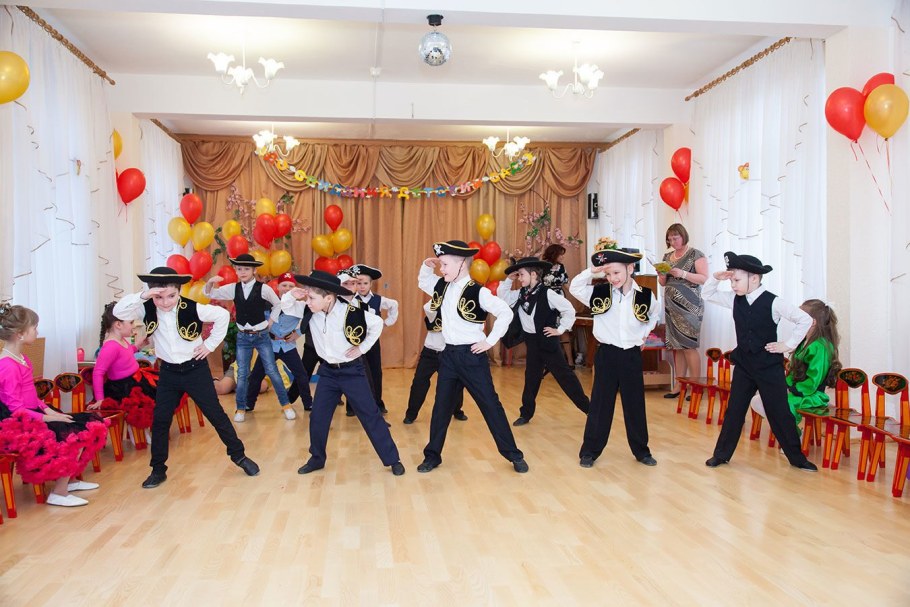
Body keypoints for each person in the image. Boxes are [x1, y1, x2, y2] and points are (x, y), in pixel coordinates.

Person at [114, 266, 260, 488]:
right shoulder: (145, 308)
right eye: (159, 297)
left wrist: (209, 345)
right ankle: (158, 470)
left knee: (216, 415)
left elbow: (221, 316)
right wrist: (144, 296)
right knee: (160, 420)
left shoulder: (192, 308)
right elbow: (120, 311)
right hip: (168, 373)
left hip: (195, 371)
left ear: (179, 292)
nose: (165, 302)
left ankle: (239, 456)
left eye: (171, 296)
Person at [416, 240, 528, 474]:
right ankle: (432, 456)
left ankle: (513, 454)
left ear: (461, 263)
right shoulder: (442, 286)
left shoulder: (479, 291)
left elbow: (505, 313)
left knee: (490, 405)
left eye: (445, 264)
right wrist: (427, 266)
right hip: (448, 356)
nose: (441, 269)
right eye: (441, 265)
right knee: (441, 408)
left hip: (471, 357)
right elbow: (424, 282)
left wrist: (489, 341)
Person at [702, 252, 817, 472]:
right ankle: (721, 455)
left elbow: (805, 319)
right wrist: (716, 278)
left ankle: (797, 458)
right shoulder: (734, 299)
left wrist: (788, 345)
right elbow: (708, 294)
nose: (733, 285)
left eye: (736, 280)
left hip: (768, 368)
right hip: (744, 366)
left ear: (754, 278)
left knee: (779, 412)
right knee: (734, 410)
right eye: (731, 280)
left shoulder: (774, 302)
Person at [289, 270, 404, 476]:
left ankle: (392, 459)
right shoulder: (310, 310)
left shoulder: (349, 311)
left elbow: (377, 323)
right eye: (308, 297)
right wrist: (292, 295)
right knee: (318, 417)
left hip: (352, 371)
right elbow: (287, 307)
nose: (308, 301)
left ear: (328, 298)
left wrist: (362, 348)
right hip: (328, 373)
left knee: (370, 415)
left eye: (312, 297)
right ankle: (317, 459)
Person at [0, 303, 106, 507]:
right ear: (20, 334)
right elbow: (15, 409)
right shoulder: (7, 366)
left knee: (84, 424)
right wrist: (49, 418)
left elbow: (31, 395)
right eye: (34, 328)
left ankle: (69, 480)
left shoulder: (22, 358)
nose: (37, 332)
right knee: (71, 433)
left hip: (34, 412)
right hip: (18, 422)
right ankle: (59, 492)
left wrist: (48, 410)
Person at [569, 241, 659, 468]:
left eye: (616, 272)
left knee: (634, 404)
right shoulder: (599, 293)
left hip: (631, 356)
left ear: (630, 268)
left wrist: (643, 335)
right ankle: (590, 451)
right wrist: (593, 271)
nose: (612, 278)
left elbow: (654, 316)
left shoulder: (645, 295)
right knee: (601, 404)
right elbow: (575, 287)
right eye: (608, 274)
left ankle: (641, 451)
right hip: (607, 355)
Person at [499, 256, 589, 426]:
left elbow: (568, 310)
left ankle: (588, 409)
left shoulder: (547, 293)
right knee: (531, 379)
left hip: (547, 342)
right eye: (518, 275)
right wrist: (508, 279)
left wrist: (560, 329)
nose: (519, 278)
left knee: (565, 377)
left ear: (533, 274)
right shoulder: (521, 294)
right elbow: (503, 297)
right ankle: (526, 414)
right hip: (532, 343)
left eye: (522, 274)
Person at [203, 253, 292, 423]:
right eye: (239, 269)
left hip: (261, 336)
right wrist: (209, 283)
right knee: (242, 373)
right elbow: (210, 294)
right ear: (236, 271)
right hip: (243, 337)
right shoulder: (233, 288)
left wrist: (271, 322)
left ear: (254, 270)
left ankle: (286, 405)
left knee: (272, 370)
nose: (242, 272)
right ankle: (241, 408)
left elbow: (278, 304)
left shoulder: (263, 289)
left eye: (246, 269)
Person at [750, 299, 842, 432]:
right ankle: (791, 433)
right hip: (798, 391)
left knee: (780, 404)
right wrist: (784, 386)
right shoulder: (804, 341)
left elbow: (814, 380)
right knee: (758, 400)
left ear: (812, 322)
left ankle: (792, 435)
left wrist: (792, 390)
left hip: (811, 394)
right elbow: (794, 373)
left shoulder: (820, 346)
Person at [246, 273, 314, 413]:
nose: (287, 288)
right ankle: (248, 404)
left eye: (291, 286)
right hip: (269, 346)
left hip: (288, 347)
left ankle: (308, 403)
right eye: (284, 285)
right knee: (256, 375)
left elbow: (311, 319)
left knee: (301, 375)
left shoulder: (301, 306)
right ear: (277, 287)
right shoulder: (267, 304)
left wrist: (298, 333)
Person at [656, 224, 708, 399]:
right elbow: (663, 283)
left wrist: (683, 274)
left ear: (683, 236)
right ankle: (679, 385)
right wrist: (662, 275)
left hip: (690, 306)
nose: (672, 241)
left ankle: (696, 387)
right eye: (669, 239)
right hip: (671, 306)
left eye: (675, 238)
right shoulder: (666, 257)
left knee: (689, 347)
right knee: (676, 347)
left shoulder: (695, 254)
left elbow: (704, 278)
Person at [89, 302, 158, 430]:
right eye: (131, 322)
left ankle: (153, 429)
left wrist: (138, 346)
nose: (133, 326)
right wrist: (100, 399)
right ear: (118, 325)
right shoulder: (110, 346)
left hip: (136, 378)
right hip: (124, 387)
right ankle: (145, 432)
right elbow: (98, 372)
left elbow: (126, 352)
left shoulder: (121, 339)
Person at [402, 301, 467, 424]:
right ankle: (411, 414)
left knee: (456, 383)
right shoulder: (433, 306)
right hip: (430, 352)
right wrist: (440, 295)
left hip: (449, 352)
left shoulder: (459, 308)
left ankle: (457, 410)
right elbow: (428, 307)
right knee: (419, 382)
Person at [351, 264, 398, 415]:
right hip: (354, 343)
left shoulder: (378, 300)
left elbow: (394, 305)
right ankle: (352, 406)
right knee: (354, 372)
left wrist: (386, 322)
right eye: (359, 283)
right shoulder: (350, 300)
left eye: (365, 283)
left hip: (372, 343)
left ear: (371, 284)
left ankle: (377, 403)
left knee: (375, 371)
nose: (362, 286)